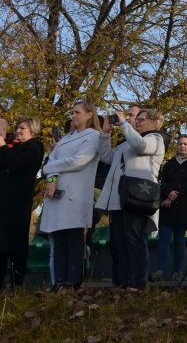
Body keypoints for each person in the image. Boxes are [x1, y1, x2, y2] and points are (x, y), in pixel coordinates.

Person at [95, 108, 166, 289]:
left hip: (137, 198)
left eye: (141, 119)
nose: (138, 122)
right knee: (120, 243)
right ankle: (123, 282)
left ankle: (137, 283)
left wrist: (124, 124)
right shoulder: (125, 144)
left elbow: (140, 146)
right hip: (119, 199)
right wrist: (105, 133)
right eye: (137, 119)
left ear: (154, 121)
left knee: (134, 241)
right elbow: (106, 156)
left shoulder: (156, 139)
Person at [40, 100, 102, 290]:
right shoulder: (65, 138)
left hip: (75, 194)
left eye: (77, 112)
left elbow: (79, 161)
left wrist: (50, 167)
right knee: (58, 239)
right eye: (72, 112)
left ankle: (73, 282)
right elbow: (52, 159)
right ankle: (58, 282)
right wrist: (51, 177)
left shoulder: (93, 136)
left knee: (74, 238)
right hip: (56, 194)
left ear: (89, 114)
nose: (73, 116)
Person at [0, 117, 45, 290]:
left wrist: (3, 145)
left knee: (16, 244)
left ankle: (16, 284)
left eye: (22, 128)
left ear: (32, 130)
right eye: (17, 128)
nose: (18, 131)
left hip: (17, 205)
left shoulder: (34, 147)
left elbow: (15, 164)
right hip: (4, 203)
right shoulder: (14, 146)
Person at [153, 135, 187, 281]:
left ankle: (177, 271)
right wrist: (168, 193)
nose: (182, 146)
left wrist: (175, 195)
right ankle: (160, 270)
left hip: (183, 206)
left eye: (185, 144)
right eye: (180, 144)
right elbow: (161, 181)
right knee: (164, 239)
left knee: (180, 240)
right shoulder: (169, 164)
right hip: (166, 208)